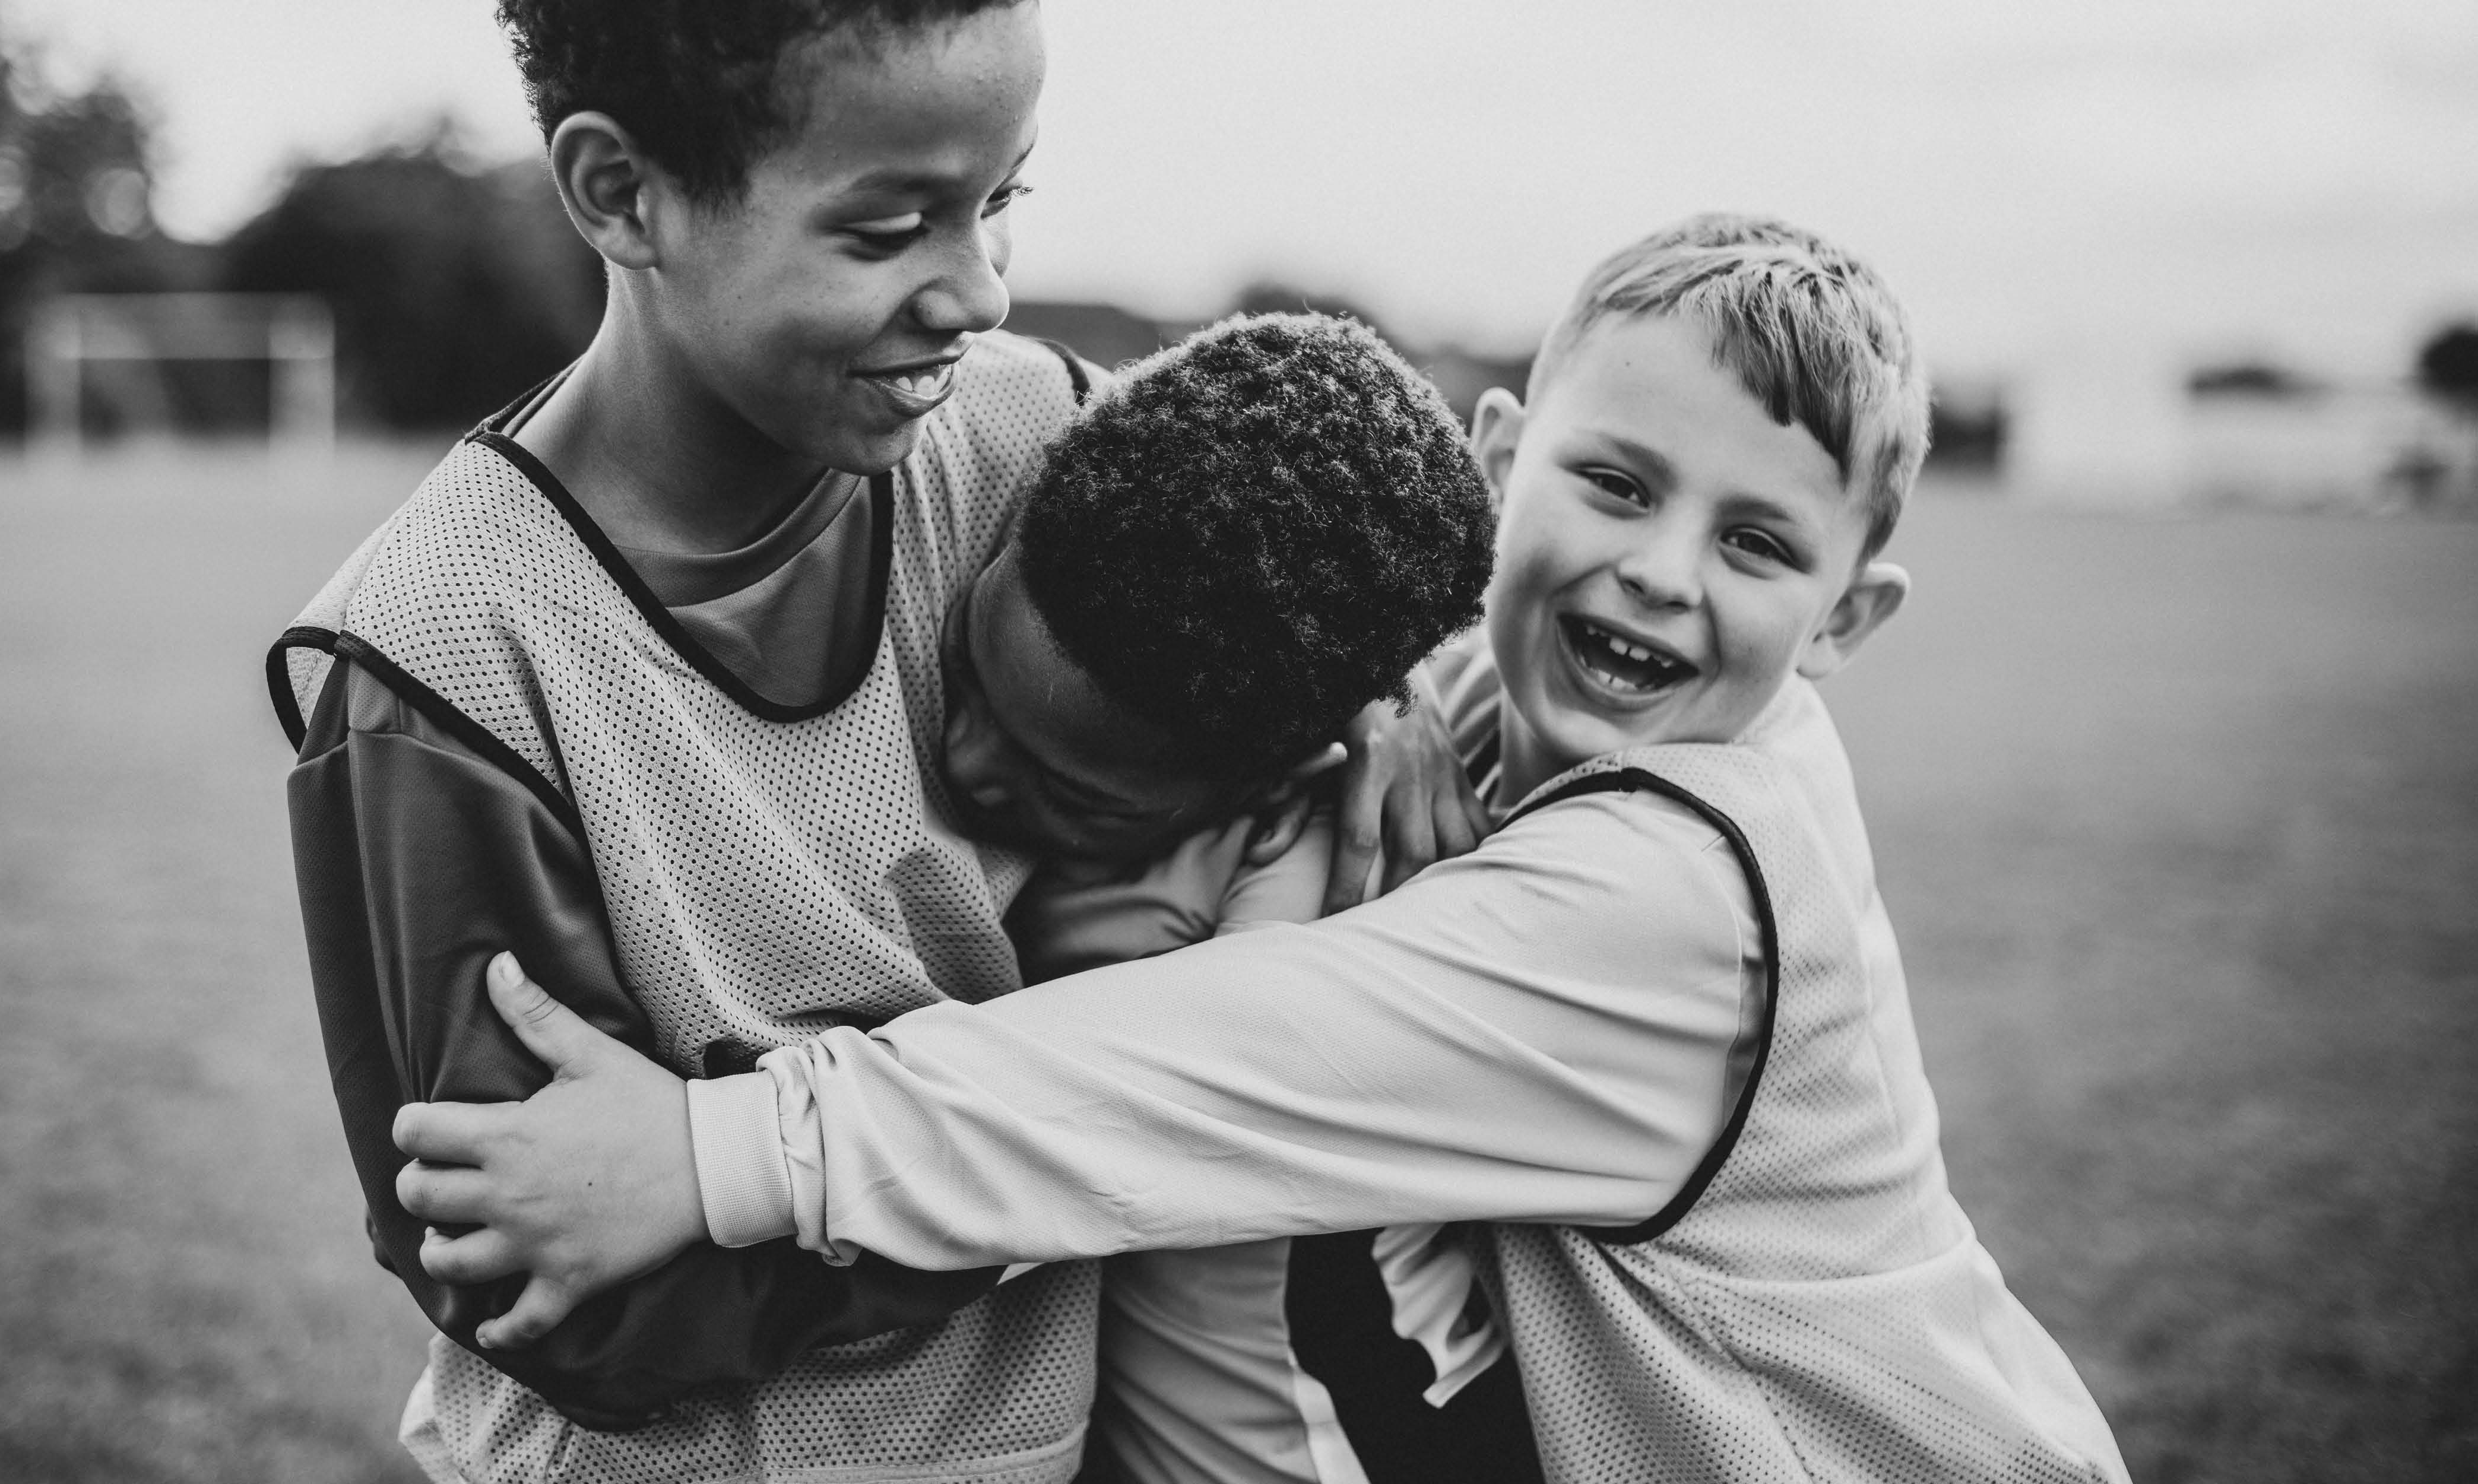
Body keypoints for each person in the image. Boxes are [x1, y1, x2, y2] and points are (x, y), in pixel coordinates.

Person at [394, 214, 2135, 1483]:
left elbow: (1179, 1074)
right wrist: (1377, 690)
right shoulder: (1488, 703)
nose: (1661, 571)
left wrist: (708, 1151)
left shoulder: (1685, 898)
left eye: (1757, 542)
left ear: (1849, 618)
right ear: (1503, 464)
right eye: (1616, 486)